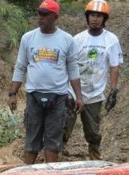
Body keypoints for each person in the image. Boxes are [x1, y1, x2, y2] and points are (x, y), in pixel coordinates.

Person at [9, 0, 83, 165]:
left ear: (55, 17)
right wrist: (13, 93)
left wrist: (79, 96)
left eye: (45, 14)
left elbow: (73, 69)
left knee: (53, 140)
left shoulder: (67, 40)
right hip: (34, 95)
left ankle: (50, 173)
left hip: (58, 96)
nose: (40, 17)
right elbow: (20, 66)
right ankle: (27, 173)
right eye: (39, 13)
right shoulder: (28, 38)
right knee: (32, 138)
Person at [62, 0, 122, 160]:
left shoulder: (111, 40)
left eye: (99, 16)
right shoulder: (77, 39)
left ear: (104, 19)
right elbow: (68, 65)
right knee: (64, 125)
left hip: (95, 93)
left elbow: (114, 66)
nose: (95, 19)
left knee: (93, 131)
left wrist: (113, 90)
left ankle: (94, 157)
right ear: (87, 17)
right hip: (72, 91)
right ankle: (58, 154)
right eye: (92, 15)